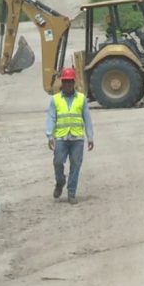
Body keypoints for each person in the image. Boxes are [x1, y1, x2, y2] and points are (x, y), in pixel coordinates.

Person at [46, 67, 94, 204]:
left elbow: (87, 119)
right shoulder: (55, 100)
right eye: (65, 81)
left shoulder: (81, 99)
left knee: (76, 165)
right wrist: (50, 135)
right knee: (57, 162)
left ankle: (71, 193)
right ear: (62, 82)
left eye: (70, 81)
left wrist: (90, 137)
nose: (68, 84)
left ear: (74, 82)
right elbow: (51, 118)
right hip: (61, 138)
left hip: (77, 138)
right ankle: (60, 181)